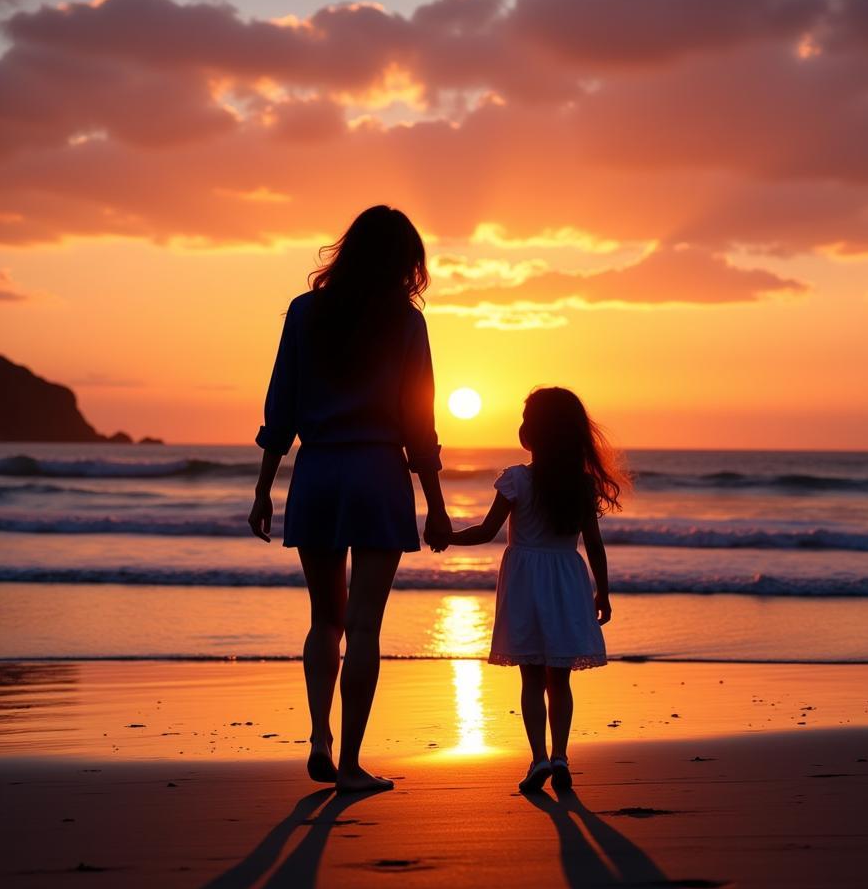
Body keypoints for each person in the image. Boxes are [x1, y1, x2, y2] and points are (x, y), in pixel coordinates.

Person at [248, 205, 451, 794]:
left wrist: (263, 488)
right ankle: (352, 765)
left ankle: (319, 738)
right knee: (364, 626)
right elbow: (419, 418)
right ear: (403, 261)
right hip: (377, 473)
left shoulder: (305, 311)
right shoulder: (405, 322)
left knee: (324, 621)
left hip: (317, 473)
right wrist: (434, 501)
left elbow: (280, 405)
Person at [444, 388, 626, 793]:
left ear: (531, 435)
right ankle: (561, 756)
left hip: (526, 581)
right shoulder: (580, 485)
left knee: (531, 680)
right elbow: (594, 545)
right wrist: (603, 593)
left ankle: (539, 759)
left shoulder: (516, 479)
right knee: (559, 680)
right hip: (567, 580)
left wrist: (447, 537)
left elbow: (486, 532)